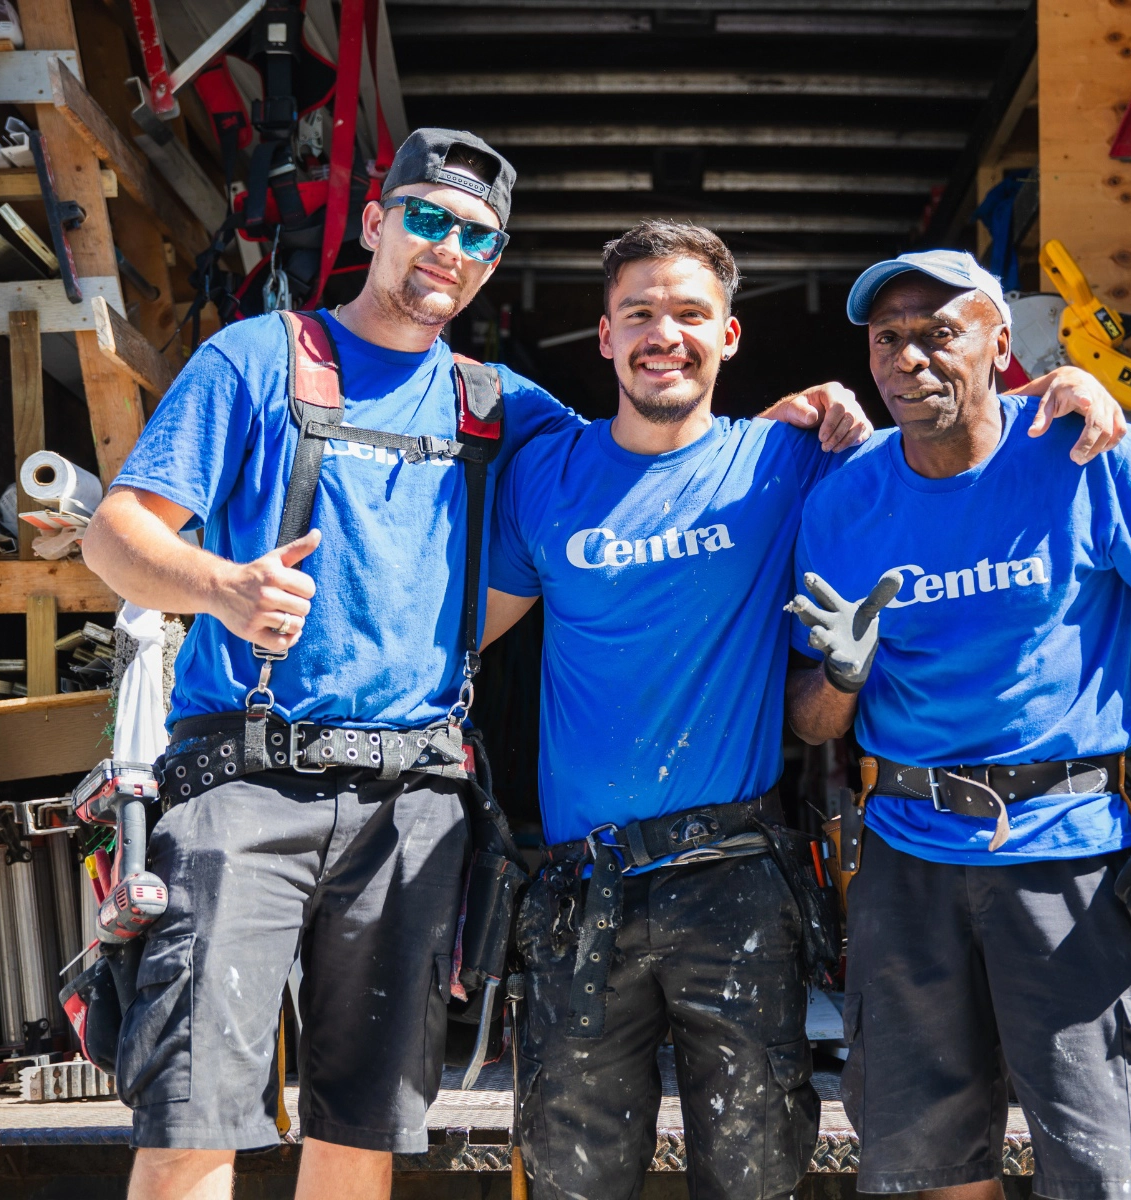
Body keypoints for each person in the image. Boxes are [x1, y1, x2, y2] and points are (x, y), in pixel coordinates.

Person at [82, 132, 864, 1200]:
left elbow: (638, 469)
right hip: (245, 782)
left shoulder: (509, 413)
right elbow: (112, 535)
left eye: (477, 236)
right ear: (374, 224)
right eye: (427, 218)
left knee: (361, 1128)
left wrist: (794, 417)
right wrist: (222, 587)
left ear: (493, 264)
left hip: (413, 801)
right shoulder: (259, 359)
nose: (447, 247)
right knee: (193, 1116)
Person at [481, 224, 1131, 1200]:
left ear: (730, 336)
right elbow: (463, 637)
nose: (667, 334)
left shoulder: (792, 461)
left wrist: (1058, 387)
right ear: (604, 335)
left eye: (691, 314)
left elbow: (948, 434)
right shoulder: (545, 475)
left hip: (732, 881)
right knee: (574, 1184)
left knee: (756, 1181)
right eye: (642, 314)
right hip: (583, 891)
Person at [785, 250, 1131, 1199]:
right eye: (889, 338)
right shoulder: (843, 499)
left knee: (1110, 1171)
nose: (910, 356)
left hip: (1070, 862)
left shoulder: (1082, 452)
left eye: (940, 331)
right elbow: (811, 724)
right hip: (907, 863)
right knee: (924, 1167)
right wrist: (844, 675)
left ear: (1002, 344)